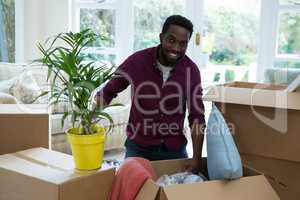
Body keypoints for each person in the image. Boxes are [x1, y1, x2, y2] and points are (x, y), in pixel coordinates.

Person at [95, 15, 205, 172]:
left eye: (183, 44)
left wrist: (196, 159)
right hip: (138, 149)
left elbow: (197, 117)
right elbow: (109, 91)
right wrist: (90, 119)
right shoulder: (137, 61)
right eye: (171, 40)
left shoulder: (191, 71)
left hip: (174, 150)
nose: (176, 48)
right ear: (161, 37)